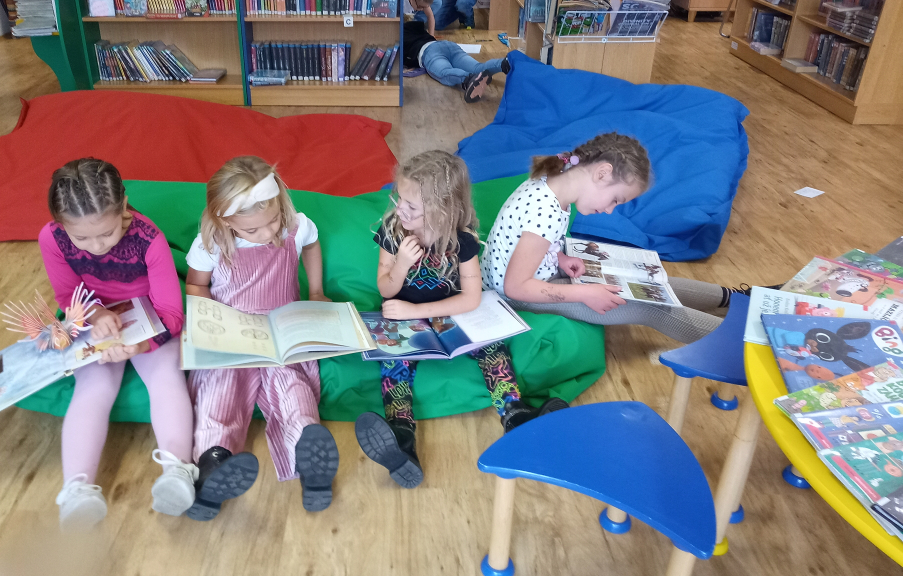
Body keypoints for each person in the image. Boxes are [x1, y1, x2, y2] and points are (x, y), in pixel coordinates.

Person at [354, 151, 568, 490]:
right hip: (400, 316)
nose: (400, 210)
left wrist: (417, 311)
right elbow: (385, 287)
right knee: (394, 364)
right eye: (399, 199)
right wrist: (401, 264)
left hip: (448, 313)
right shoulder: (393, 230)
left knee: (494, 349)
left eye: (411, 206)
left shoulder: (462, 241)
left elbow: (471, 297)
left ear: (442, 211)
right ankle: (401, 440)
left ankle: (516, 416)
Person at [481, 132, 778, 344]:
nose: (610, 210)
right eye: (615, 199)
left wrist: (559, 257)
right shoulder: (544, 209)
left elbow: (530, 244)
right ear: (602, 173)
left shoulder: (555, 186)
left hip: (536, 277)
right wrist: (584, 294)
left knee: (653, 284)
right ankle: (753, 344)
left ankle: (738, 298)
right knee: (652, 306)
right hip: (515, 298)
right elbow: (516, 287)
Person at [39, 158, 196, 530]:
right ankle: (76, 490)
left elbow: (171, 314)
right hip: (92, 315)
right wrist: (95, 315)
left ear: (124, 205)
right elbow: (67, 294)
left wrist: (139, 347)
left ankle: (178, 470)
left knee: (166, 378)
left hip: (150, 315)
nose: (96, 246)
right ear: (61, 224)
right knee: (93, 388)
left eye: (106, 233)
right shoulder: (52, 237)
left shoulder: (149, 239)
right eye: (82, 238)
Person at [184, 156, 339, 518]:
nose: (268, 233)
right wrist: (211, 319)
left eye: (273, 221)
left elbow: (312, 245)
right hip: (233, 333)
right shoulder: (211, 244)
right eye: (253, 230)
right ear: (225, 220)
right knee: (220, 385)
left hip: (281, 327)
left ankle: (309, 454)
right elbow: (195, 284)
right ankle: (213, 463)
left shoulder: (296, 226)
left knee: (291, 383)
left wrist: (316, 292)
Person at [403, 19, 511, 103]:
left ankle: (468, 78)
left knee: (444, 72)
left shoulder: (398, 40)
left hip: (429, 52)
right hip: (447, 44)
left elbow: (399, 60)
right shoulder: (408, 26)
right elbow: (421, 21)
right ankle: (504, 63)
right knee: (477, 67)